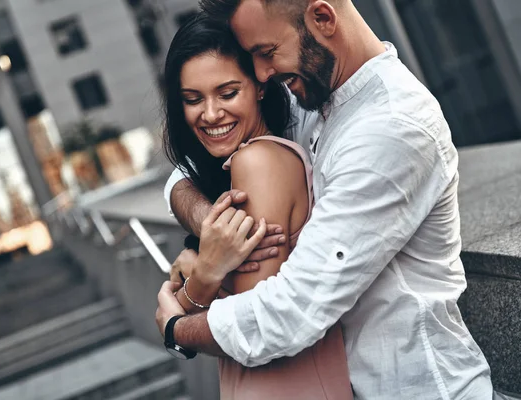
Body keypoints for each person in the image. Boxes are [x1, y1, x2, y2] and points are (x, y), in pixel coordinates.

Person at [156, 0, 494, 399]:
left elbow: (290, 313)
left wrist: (177, 325)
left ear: (322, 18)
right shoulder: (315, 98)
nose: (263, 74)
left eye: (266, 53)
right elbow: (184, 175)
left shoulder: (390, 127)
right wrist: (213, 227)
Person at [161, 14, 352, 399]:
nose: (211, 114)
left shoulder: (258, 163)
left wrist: (184, 298)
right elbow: (178, 182)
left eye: (228, 93)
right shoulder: (244, 164)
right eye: (193, 99)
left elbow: (254, 325)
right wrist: (203, 249)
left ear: (259, 88)